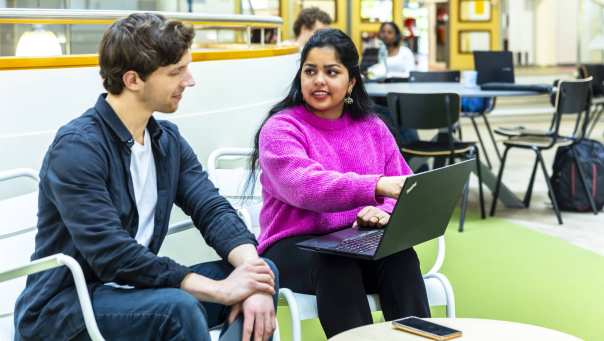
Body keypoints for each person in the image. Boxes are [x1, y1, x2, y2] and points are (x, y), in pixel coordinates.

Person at [14, 13, 278, 341]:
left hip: (135, 292)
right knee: (179, 308)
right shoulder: (76, 149)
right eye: (176, 72)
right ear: (133, 80)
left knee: (266, 275)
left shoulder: (166, 141)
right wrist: (218, 290)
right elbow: (113, 254)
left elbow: (211, 209)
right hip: (66, 308)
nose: (189, 80)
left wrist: (251, 277)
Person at [248, 28, 430, 338]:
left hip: (358, 242)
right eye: (310, 71)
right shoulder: (280, 128)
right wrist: (376, 186)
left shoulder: (373, 127)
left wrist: (385, 212)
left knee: (400, 255)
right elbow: (305, 186)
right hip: (294, 247)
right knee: (336, 264)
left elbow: (404, 187)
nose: (319, 80)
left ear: (351, 82)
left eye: (331, 72)